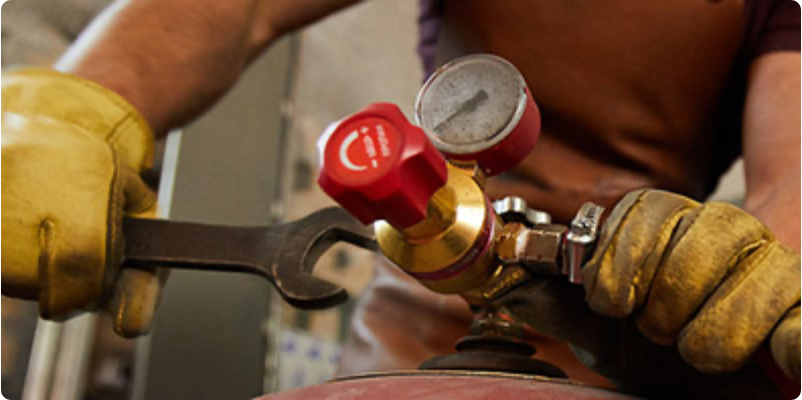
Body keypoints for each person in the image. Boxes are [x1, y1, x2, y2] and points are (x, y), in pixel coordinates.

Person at [2, 0, 799, 397]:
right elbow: (237, 7)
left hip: (643, 310)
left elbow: (790, 177)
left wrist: (743, 282)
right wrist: (67, 110)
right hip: (418, 309)